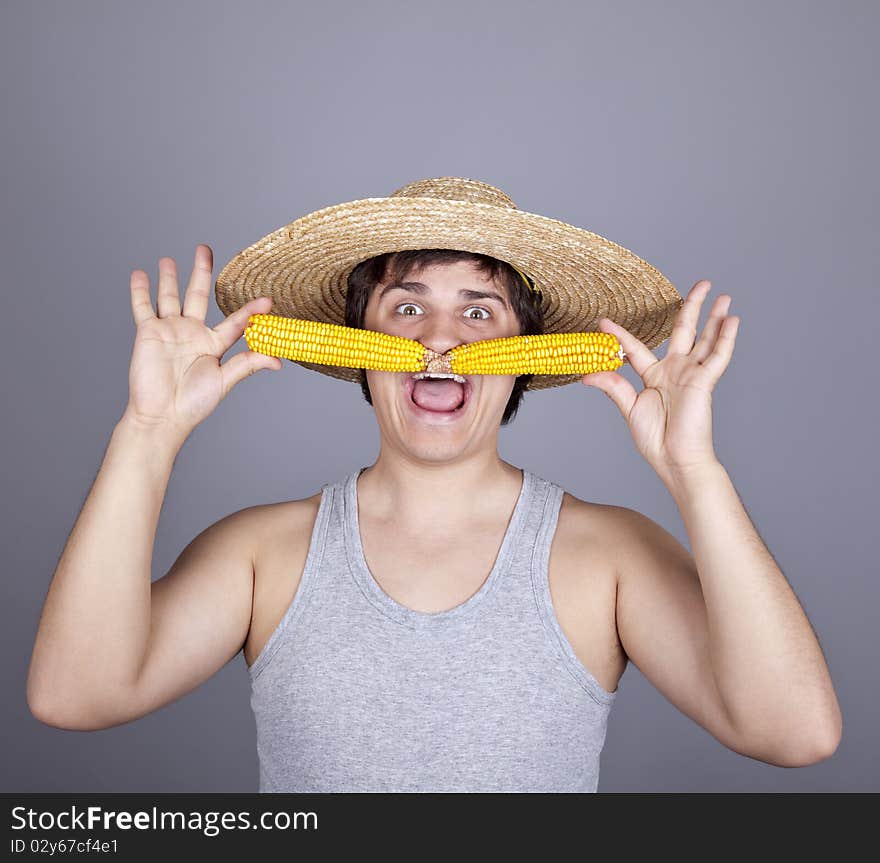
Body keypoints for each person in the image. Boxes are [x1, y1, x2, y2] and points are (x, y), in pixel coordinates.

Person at [26, 177, 841, 792]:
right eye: (406, 308)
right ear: (359, 347)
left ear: (524, 352)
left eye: (480, 312)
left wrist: (695, 473)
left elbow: (795, 732)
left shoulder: (609, 555)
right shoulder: (261, 554)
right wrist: (147, 434)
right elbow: (75, 695)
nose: (440, 340)